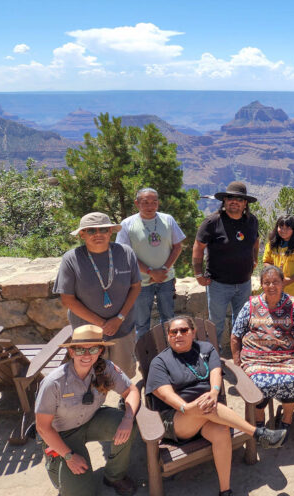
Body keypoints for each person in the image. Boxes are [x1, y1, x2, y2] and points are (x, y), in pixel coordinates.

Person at [146, 316, 287, 496]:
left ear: (193, 332)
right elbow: (164, 393)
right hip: (177, 419)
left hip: (208, 413)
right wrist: (187, 408)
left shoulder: (205, 349)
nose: (178, 335)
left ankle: (225, 491)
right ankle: (258, 434)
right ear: (168, 336)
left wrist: (214, 392)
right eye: (173, 332)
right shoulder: (160, 361)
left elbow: (215, 372)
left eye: (183, 330)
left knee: (221, 431)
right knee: (205, 406)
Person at [35, 325, 139, 496]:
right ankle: (60, 467)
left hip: (92, 420)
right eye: (80, 349)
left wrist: (127, 419)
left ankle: (114, 476)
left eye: (93, 349)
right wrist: (69, 456)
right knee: (81, 492)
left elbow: (132, 391)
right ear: (71, 352)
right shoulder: (54, 382)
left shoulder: (106, 368)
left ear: (100, 351)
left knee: (128, 425)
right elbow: (43, 428)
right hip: (62, 434)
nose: (86, 355)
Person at [54, 212, 141, 377]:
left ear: (110, 232)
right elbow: (68, 299)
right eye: (91, 230)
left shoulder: (126, 253)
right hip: (86, 331)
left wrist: (119, 319)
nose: (98, 234)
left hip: (122, 327)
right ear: (82, 234)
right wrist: (102, 323)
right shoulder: (71, 259)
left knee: (123, 371)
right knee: (90, 372)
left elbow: (135, 287)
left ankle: (124, 400)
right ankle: (93, 402)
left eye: (103, 229)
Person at [231, 266, 294, 434]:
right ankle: (259, 422)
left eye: (276, 282)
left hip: (287, 358)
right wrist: (237, 363)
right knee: (257, 383)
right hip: (255, 359)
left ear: (283, 283)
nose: (271, 286)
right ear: (261, 284)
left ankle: (286, 422)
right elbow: (235, 335)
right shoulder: (251, 305)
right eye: (267, 282)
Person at [192, 182, 259, 345]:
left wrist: (254, 260)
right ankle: (214, 359)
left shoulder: (251, 221)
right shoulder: (212, 222)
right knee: (216, 325)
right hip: (218, 284)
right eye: (230, 198)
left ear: (245, 203)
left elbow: (256, 241)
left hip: (244, 283)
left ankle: (241, 356)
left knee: (242, 323)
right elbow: (198, 247)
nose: (234, 201)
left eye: (239, 199)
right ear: (224, 201)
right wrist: (198, 274)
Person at [116, 187, 186, 339]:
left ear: (158, 203)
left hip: (166, 279)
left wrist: (163, 270)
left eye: (154, 202)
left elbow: (177, 246)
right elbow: (126, 254)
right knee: (141, 323)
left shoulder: (168, 220)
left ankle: (169, 352)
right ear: (137, 203)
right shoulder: (127, 224)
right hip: (139, 282)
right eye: (145, 202)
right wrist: (150, 272)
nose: (150, 206)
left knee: (169, 320)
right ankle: (144, 356)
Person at [263, 214, 294, 300]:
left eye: (287, 228)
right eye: (281, 227)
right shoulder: (272, 244)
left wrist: (288, 280)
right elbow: (266, 261)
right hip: (275, 289)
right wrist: (275, 273)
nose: (283, 230)